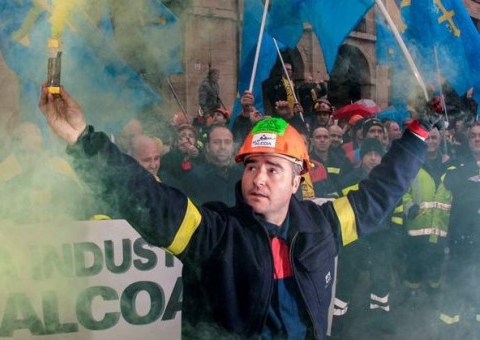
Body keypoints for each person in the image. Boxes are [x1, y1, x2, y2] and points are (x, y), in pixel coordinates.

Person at [39, 85, 434, 338]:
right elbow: (146, 199)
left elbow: (380, 193)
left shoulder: (322, 227)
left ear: (298, 179)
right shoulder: (214, 234)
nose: (258, 178)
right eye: (251, 166)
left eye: (272, 168)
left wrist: (418, 134)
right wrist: (81, 140)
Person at [332, 138, 403, 336]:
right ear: (361, 157)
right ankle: (338, 326)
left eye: (377, 154)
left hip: (382, 240)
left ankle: (379, 325)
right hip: (355, 240)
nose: (373, 158)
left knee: (381, 282)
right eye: (368, 154)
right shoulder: (347, 181)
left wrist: (394, 238)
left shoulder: (391, 182)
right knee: (345, 283)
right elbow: (339, 213)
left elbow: (398, 212)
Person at [437, 121, 480, 338]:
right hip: (461, 236)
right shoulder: (458, 163)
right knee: (455, 280)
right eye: (473, 135)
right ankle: (451, 327)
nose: (477, 138)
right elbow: (452, 183)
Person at [402, 127, 451, 299]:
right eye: (427, 138)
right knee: (414, 262)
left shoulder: (449, 165)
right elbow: (403, 192)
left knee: (436, 262)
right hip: (417, 225)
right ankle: (411, 292)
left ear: (440, 140)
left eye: (434, 138)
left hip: (440, 226)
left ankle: (433, 290)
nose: (431, 141)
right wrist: (409, 207)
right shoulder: (412, 164)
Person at [182, 124, 241, 206]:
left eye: (227, 142)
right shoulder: (194, 178)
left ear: (233, 146)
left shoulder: (243, 175)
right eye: (217, 142)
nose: (222, 147)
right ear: (208, 147)